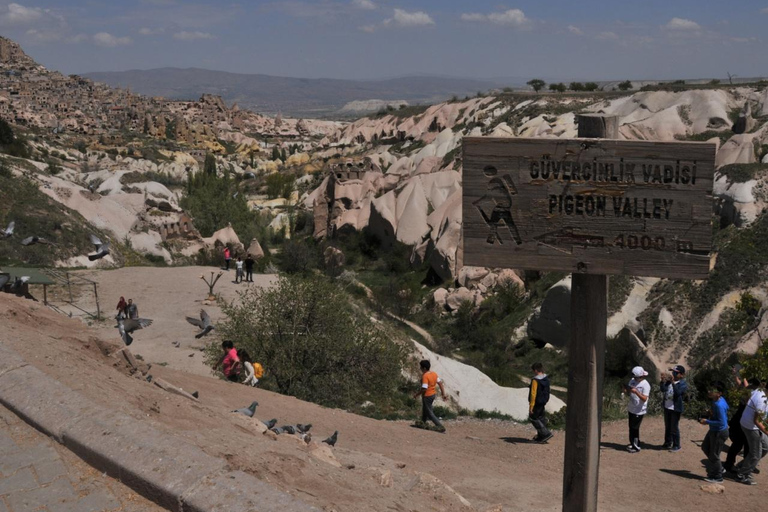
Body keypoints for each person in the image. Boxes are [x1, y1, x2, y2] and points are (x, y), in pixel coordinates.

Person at [735, 376, 768, 485]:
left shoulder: (759, 391)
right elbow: (756, 421)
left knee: (765, 446)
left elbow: (763, 416)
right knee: (756, 454)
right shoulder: (762, 400)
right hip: (750, 427)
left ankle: (743, 465)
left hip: (751, 423)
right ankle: (742, 475)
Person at [699, 381, 729, 483]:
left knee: (714, 455)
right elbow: (727, 409)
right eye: (710, 389)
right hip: (714, 430)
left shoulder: (719, 405)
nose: (709, 391)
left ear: (719, 393)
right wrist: (711, 413)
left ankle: (718, 476)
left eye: (712, 390)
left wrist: (707, 421)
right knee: (705, 447)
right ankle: (719, 468)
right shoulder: (717, 401)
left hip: (719, 432)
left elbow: (721, 422)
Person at [724, 368, 752, 473]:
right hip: (741, 422)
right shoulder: (749, 395)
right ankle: (739, 467)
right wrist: (740, 375)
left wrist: (736, 374)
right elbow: (743, 386)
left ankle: (736, 465)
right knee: (741, 445)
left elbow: (740, 384)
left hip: (741, 421)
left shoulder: (748, 393)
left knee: (740, 445)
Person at [413, 360, 447, 433]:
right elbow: (440, 383)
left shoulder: (425, 376)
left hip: (427, 396)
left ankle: (440, 426)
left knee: (429, 413)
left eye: (421, 367)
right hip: (433, 395)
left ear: (424, 368)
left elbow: (424, 388)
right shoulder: (434, 374)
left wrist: (416, 394)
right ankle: (423, 423)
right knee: (425, 410)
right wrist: (443, 394)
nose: (420, 369)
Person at [660, 364, 688, 452]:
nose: (674, 374)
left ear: (681, 375)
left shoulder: (682, 384)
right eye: (673, 372)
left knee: (674, 427)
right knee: (667, 426)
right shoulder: (669, 382)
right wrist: (662, 381)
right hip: (667, 406)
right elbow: (663, 389)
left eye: (676, 373)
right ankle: (668, 442)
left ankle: (676, 445)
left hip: (675, 408)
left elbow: (678, 393)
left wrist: (673, 383)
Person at [625, 366, 650, 453]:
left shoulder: (645, 385)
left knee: (635, 428)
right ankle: (633, 442)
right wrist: (627, 390)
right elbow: (628, 390)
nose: (635, 379)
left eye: (637, 377)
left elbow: (644, 398)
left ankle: (636, 446)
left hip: (639, 410)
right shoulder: (632, 381)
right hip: (631, 408)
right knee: (631, 427)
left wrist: (636, 392)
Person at [528, 362, 553, 443]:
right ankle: (540, 437)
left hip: (536, 402)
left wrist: (531, 406)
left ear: (535, 370)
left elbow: (533, 393)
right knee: (541, 418)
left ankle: (545, 434)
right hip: (543, 401)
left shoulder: (535, 380)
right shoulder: (546, 379)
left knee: (533, 417)